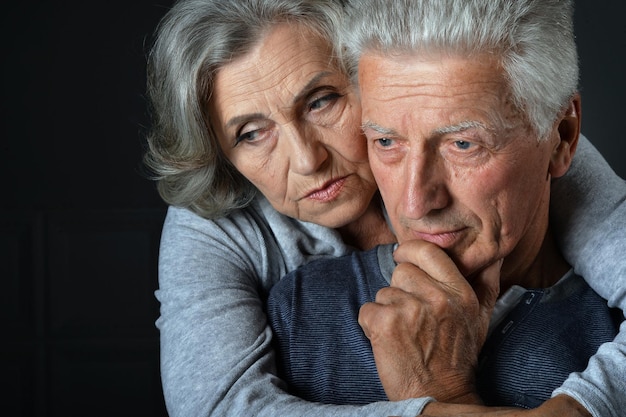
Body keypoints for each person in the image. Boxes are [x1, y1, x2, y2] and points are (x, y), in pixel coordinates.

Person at [144, 0, 626, 416]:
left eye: (321, 101)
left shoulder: (525, 138)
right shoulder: (222, 231)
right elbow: (219, 405)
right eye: (251, 134)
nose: (307, 159)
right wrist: (432, 401)